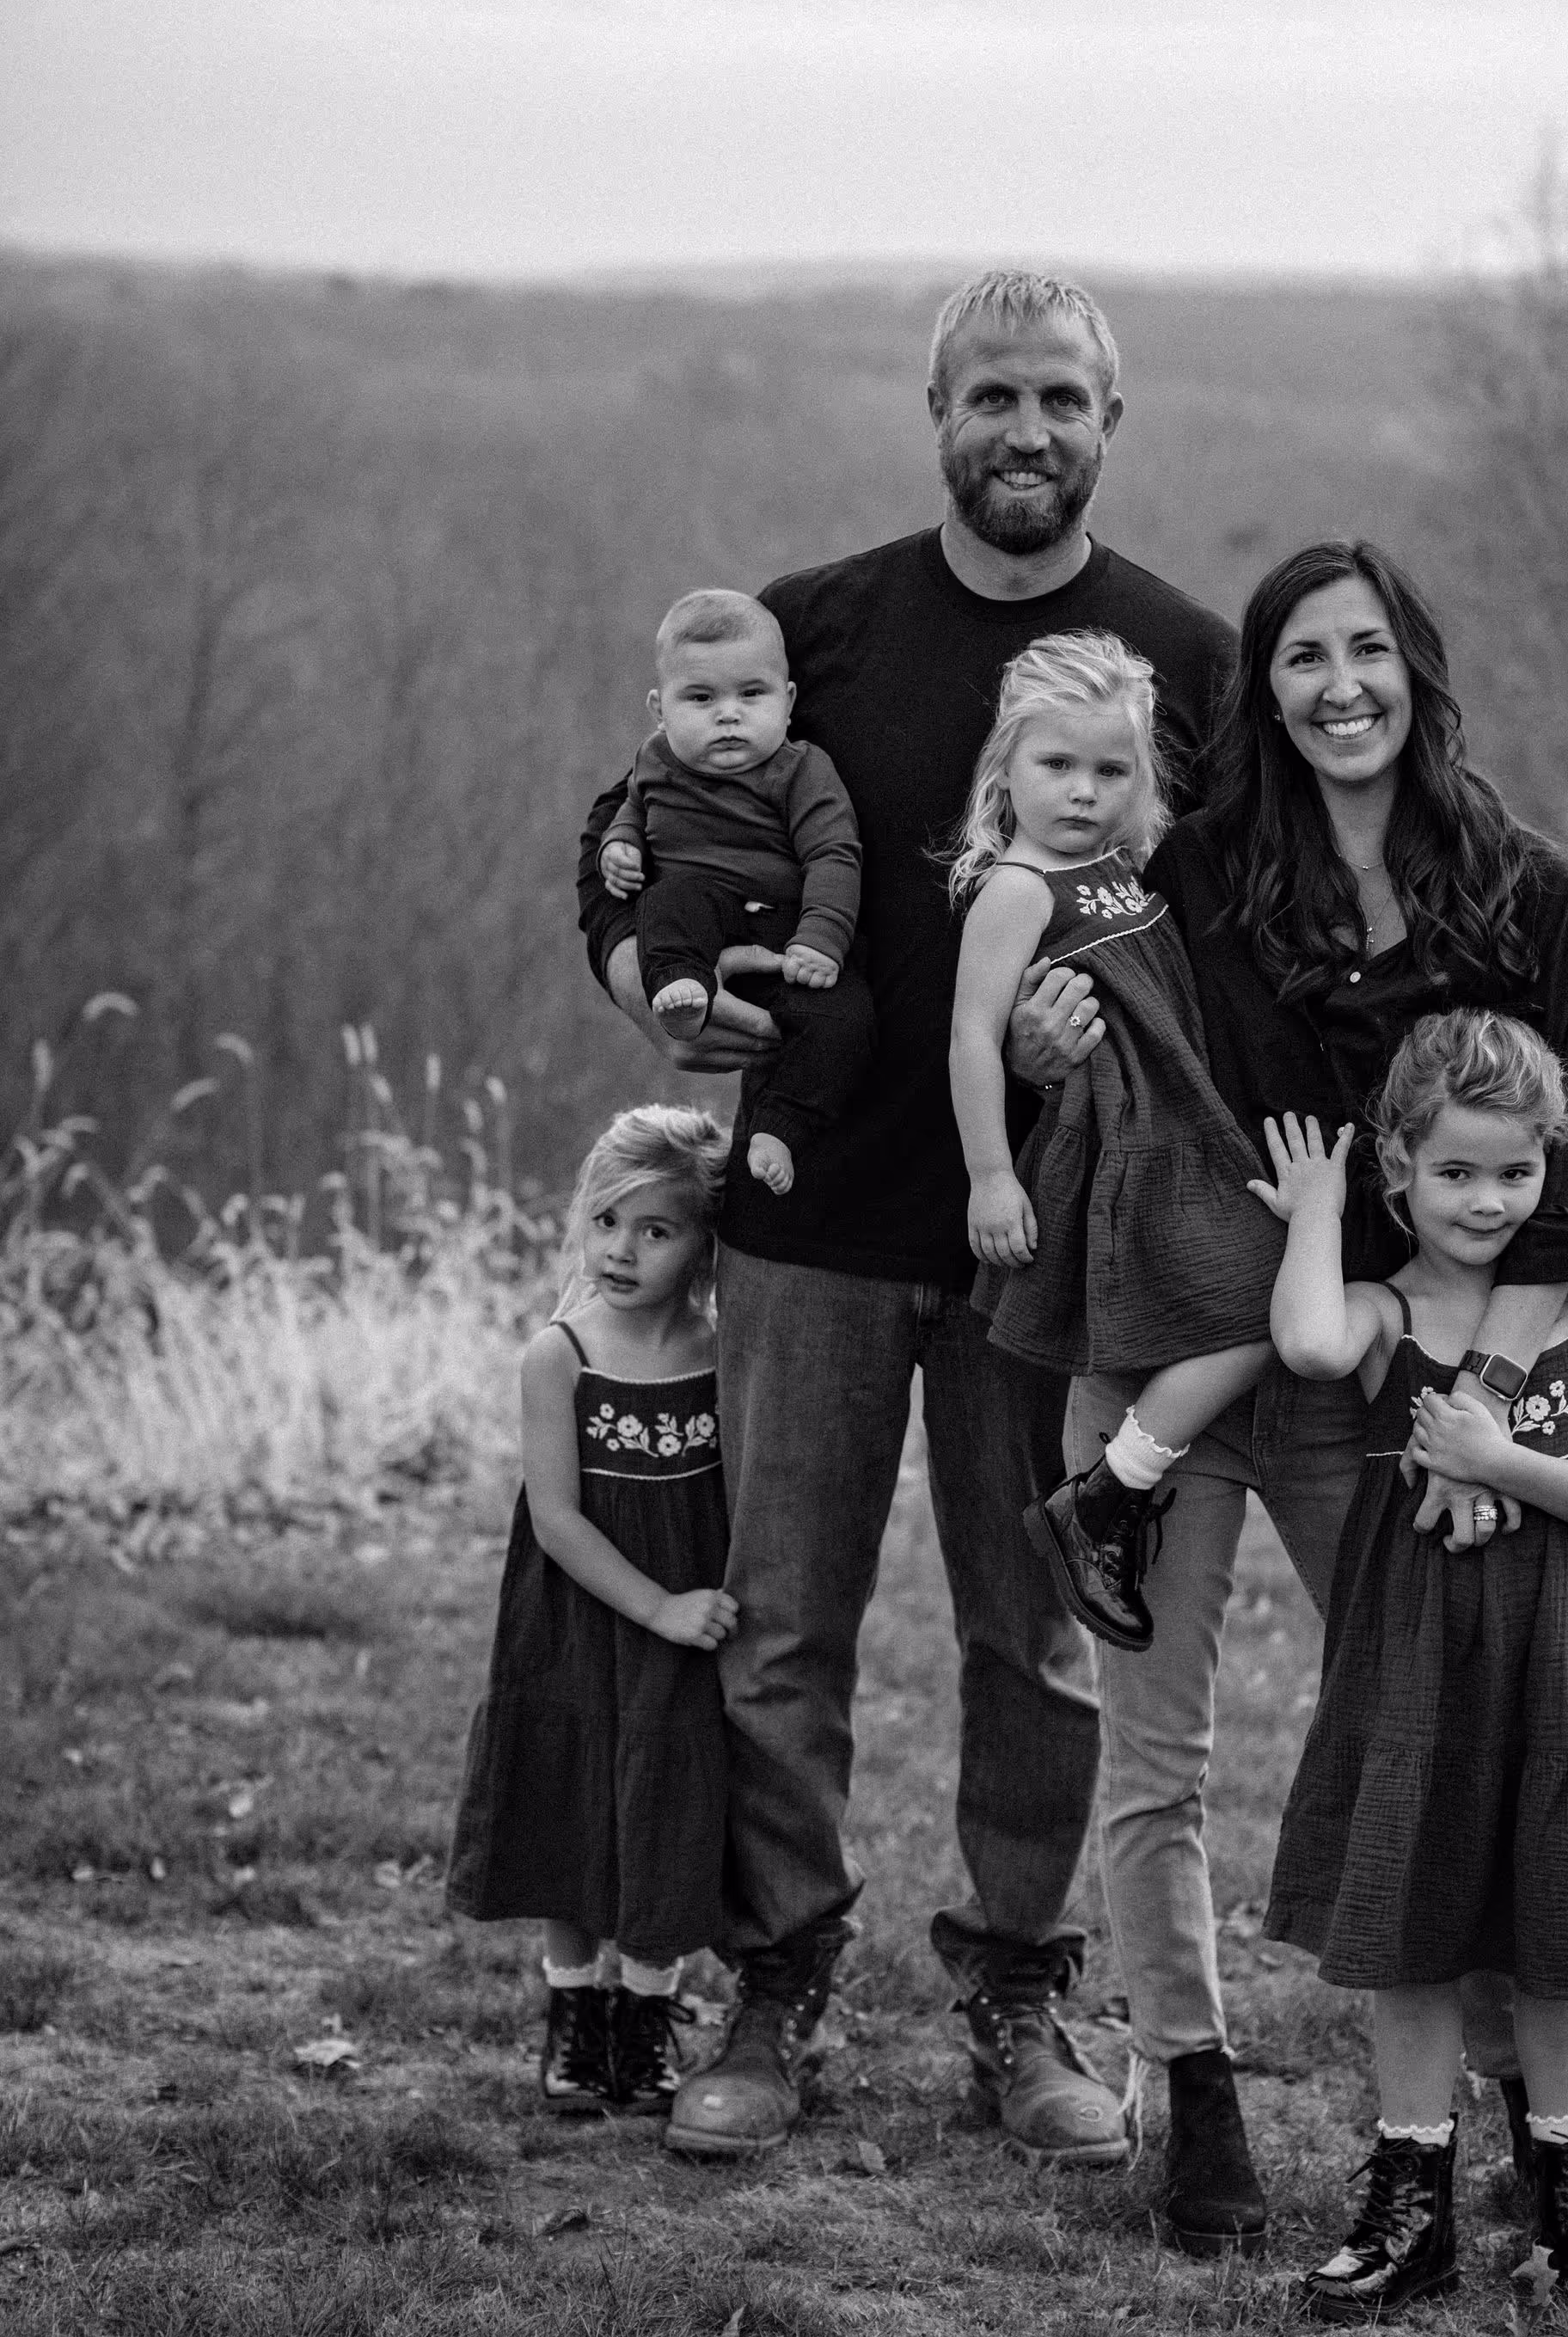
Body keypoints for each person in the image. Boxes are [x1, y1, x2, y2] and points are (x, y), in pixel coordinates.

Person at [574, 272, 1234, 2167]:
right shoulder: (815, 634)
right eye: (990, 397)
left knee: (1032, 1638)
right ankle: (776, 1983)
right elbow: (626, 845)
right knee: (784, 1624)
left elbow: (1237, 940)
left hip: (1066, 1252)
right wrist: (653, 986)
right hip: (817, 1220)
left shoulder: (1177, 662)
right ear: (930, 408)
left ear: (1117, 418)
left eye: (1060, 401)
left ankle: (1019, 1988)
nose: (1024, 432)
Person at [1031, 537, 1568, 2260]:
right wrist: (1026, 1035)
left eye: (1369, 652)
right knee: (1155, 1756)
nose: (1340, 687)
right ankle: (1196, 2100)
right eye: (1303, 658)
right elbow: (1065, 991)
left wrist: (1481, 1407)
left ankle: (1546, 2139)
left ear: (1418, 669)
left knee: (1443, 1729)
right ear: (1266, 691)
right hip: (1166, 1345)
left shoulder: (1526, 894)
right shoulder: (1195, 879)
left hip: (1375, 1377)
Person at [1259, 1013, 1568, 2334]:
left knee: (1559, 1930)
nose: (1486, 1202)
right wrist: (1317, 1212)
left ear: (1550, 1166)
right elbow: (1311, 1348)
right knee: (1415, 1920)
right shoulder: (1394, 1310)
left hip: (1563, 1656)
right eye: (1453, 1172)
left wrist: (1501, 1462)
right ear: (1401, 1166)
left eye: (1513, 1173)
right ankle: (1411, 2209)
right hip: (1416, 1655)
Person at [946, 630, 1282, 1651]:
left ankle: (1108, 1497)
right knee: (1268, 1298)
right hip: (1126, 1149)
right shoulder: (1017, 890)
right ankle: (1106, 1496)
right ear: (1007, 768)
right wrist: (991, 1176)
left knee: (1280, 1298)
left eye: (1110, 768)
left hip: (1187, 1132)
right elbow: (970, 1033)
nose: (1084, 790)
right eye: (1057, 765)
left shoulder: (1115, 867)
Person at [448, 1104, 737, 2117]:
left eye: (655, 1230)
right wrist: (655, 1605)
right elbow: (560, 1522)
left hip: (684, 1630)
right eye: (607, 1220)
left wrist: (692, 1608)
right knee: (570, 1807)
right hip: (576, 1621)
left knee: (668, 1803)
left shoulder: (721, 1354)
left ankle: (645, 2016)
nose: (621, 1248)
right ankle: (574, 2018)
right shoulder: (559, 1355)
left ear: (703, 1245)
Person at [597, 587, 874, 1198]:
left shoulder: (801, 770)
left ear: (789, 699)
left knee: (848, 1023)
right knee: (668, 903)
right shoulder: (655, 761)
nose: (729, 715)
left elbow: (833, 854)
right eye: (701, 698)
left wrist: (821, 940)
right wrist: (619, 847)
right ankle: (680, 987)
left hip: (784, 932)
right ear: (659, 709)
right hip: (697, 924)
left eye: (752, 695)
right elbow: (632, 812)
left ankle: (780, 1126)